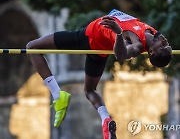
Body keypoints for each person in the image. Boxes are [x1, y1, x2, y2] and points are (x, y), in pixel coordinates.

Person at [26, 9, 172, 139]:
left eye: (163, 46)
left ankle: (58, 95)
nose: (166, 41)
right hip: (99, 49)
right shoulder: (152, 33)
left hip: (88, 38)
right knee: (90, 90)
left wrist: (119, 33)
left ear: (151, 52)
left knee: (32, 47)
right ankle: (106, 120)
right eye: (168, 45)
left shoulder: (137, 44)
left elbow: (122, 55)